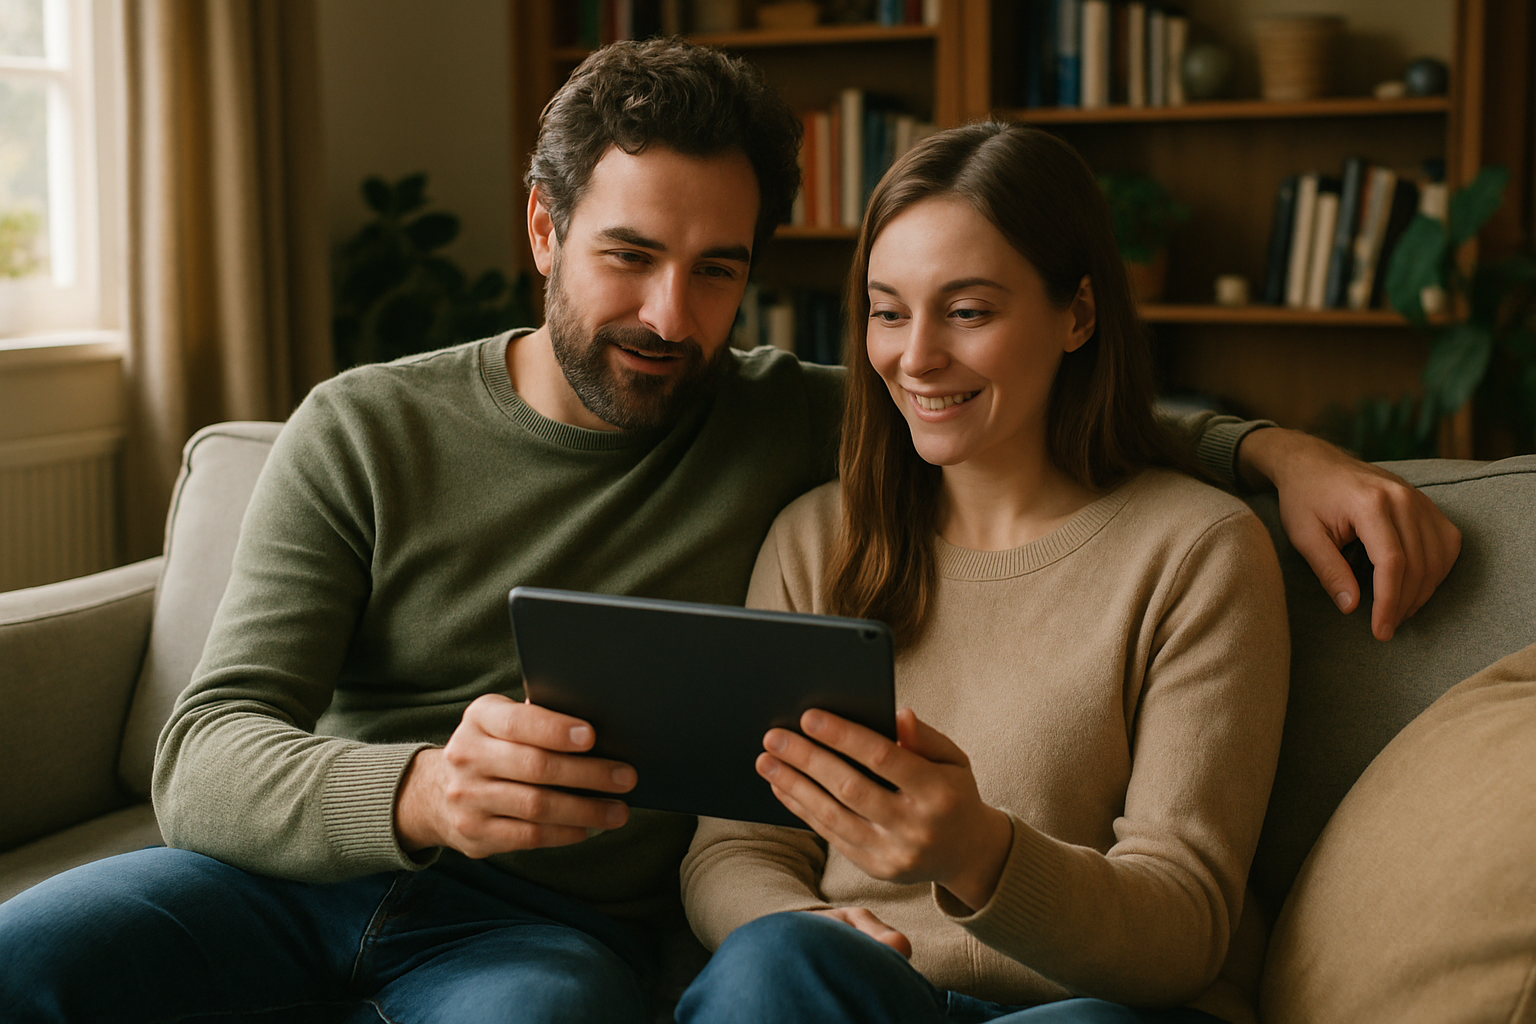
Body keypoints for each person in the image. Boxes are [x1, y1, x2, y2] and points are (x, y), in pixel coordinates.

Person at [0, 39, 1456, 1024]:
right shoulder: (366, 427)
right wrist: (422, 792)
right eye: (630, 258)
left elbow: (1032, 419)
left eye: (717, 275)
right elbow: (205, 755)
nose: (667, 321)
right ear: (545, 231)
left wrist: (1274, 449)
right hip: (286, 881)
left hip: (537, 934)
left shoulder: (795, 423)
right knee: (32, 957)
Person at [676, 122, 1289, 1024]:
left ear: (1078, 314)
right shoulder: (816, 540)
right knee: (769, 965)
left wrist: (979, 853)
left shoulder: (1197, 552)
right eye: (888, 311)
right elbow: (732, 851)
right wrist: (812, 925)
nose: (916, 357)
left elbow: (1185, 922)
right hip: (863, 994)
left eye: (968, 312)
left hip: (1089, 1009)